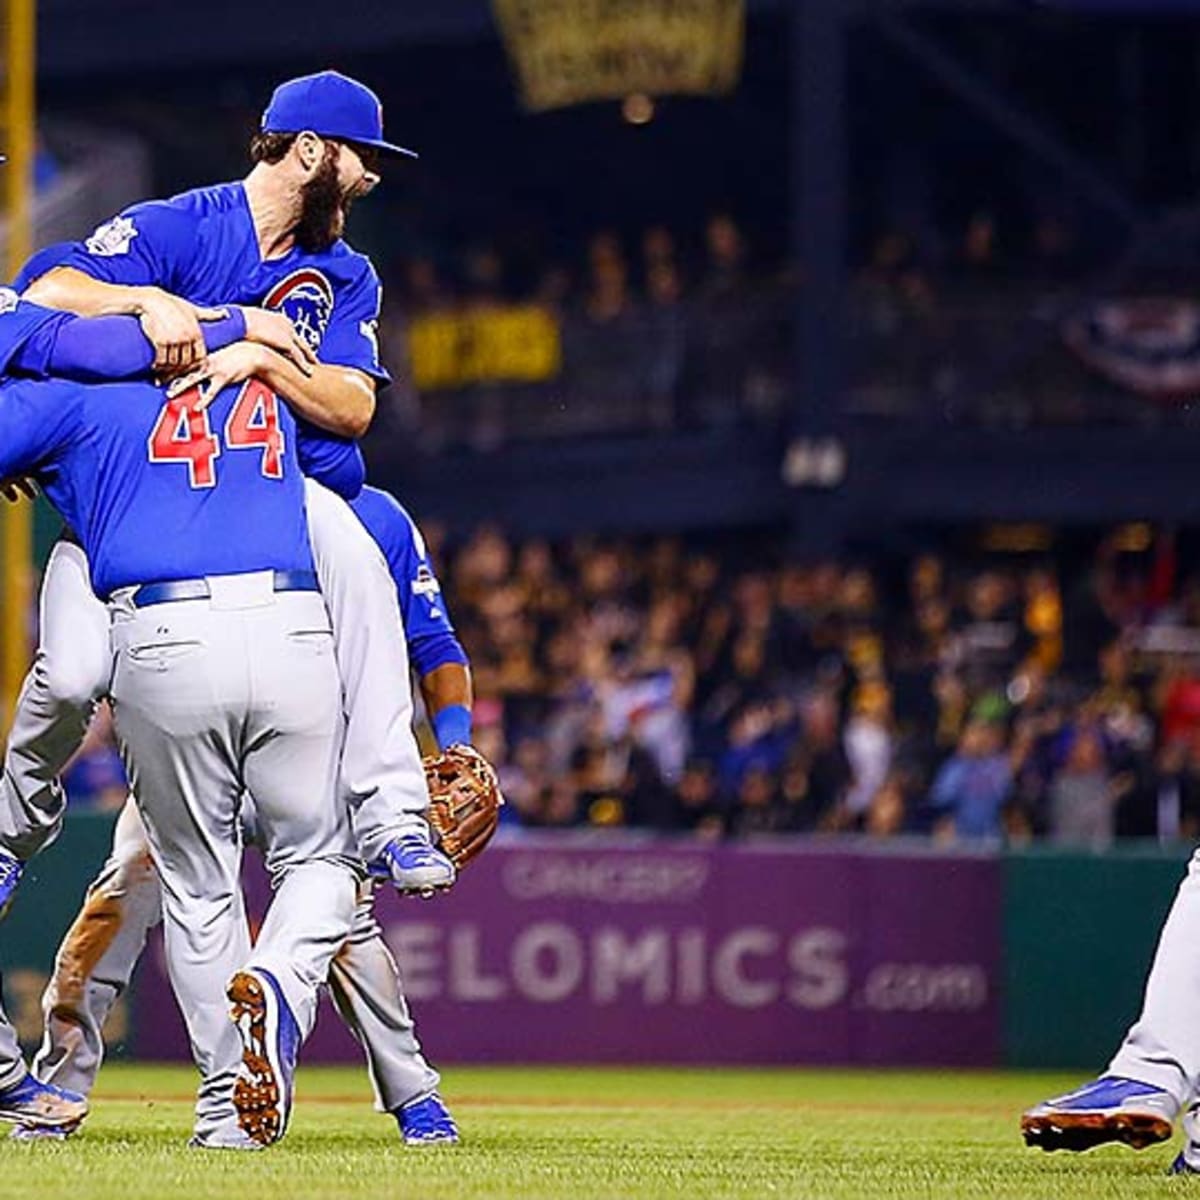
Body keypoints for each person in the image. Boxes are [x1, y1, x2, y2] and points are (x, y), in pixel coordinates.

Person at [0, 70, 450, 903]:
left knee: (361, 559)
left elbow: (352, 409)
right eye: (359, 158)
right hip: (130, 507)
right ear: (310, 150)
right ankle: (8, 836)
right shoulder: (186, 226)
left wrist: (260, 361)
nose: (368, 177)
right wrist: (147, 301)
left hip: (279, 503)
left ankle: (394, 814)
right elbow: (45, 290)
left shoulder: (346, 274)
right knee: (66, 676)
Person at [0, 289, 375, 1148]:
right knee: (321, 857)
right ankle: (282, 980)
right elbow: (348, 459)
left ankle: (225, 1112)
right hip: (293, 625)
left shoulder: (71, 392)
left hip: (165, 631)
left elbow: (64, 358)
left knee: (201, 889)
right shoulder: (259, 379)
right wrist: (254, 344)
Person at [32, 486, 470, 1146]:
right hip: (237, 734)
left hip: (305, 747)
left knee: (341, 918)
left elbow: (434, 644)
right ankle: (64, 1081)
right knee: (133, 882)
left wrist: (457, 740)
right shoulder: (207, 482)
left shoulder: (371, 514)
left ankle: (413, 1096)